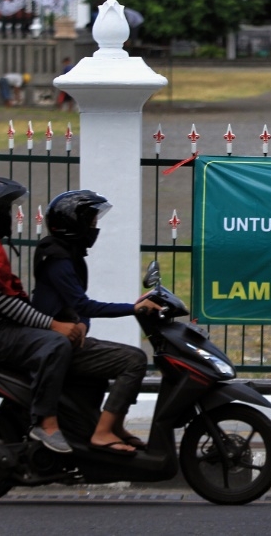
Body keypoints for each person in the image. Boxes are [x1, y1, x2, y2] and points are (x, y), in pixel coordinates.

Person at [0, 177, 81, 454]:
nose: (9, 216)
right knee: (55, 344)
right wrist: (54, 325)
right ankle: (45, 422)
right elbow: (8, 305)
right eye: (5, 209)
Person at [32, 190, 160, 455]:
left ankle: (115, 426)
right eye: (90, 222)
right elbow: (82, 305)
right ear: (72, 224)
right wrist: (133, 309)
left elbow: (74, 308)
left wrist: (82, 323)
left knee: (119, 360)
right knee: (133, 360)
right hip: (56, 345)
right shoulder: (59, 260)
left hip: (64, 341)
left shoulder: (66, 254)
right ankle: (103, 432)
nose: (94, 228)